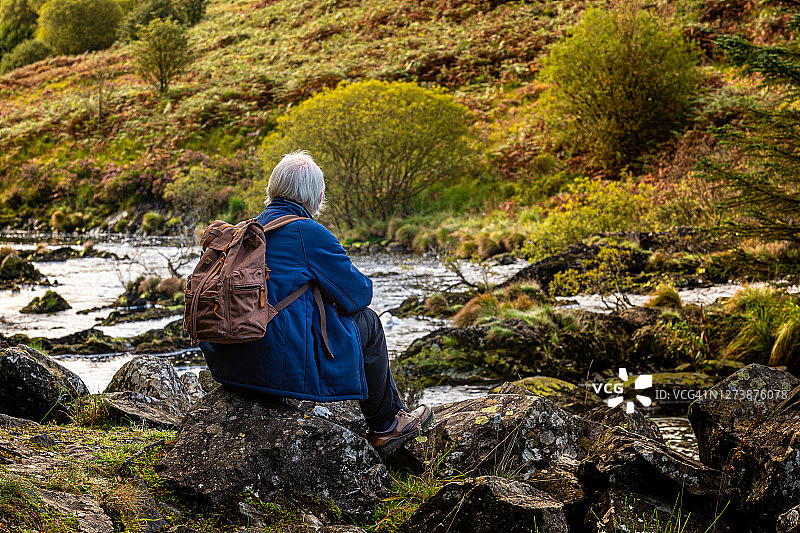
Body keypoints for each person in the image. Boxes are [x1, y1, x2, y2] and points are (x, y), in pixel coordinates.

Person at [199, 150, 433, 454]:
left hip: (227, 365)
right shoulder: (308, 232)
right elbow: (358, 295)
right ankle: (387, 424)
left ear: (271, 190)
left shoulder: (248, 230)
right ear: (318, 197)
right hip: (270, 368)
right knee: (370, 322)